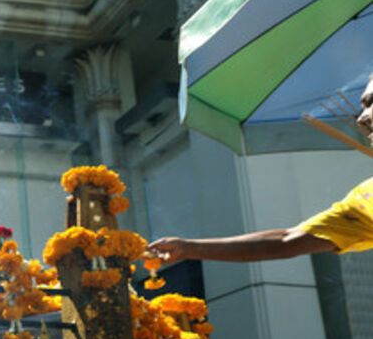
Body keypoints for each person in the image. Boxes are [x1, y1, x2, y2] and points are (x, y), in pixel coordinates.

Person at [145, 75, 373, 264]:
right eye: (362, 106)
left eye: (371, 103)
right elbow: (287, 240)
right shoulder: (366, 197)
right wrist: (187, 248)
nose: (361, 119)